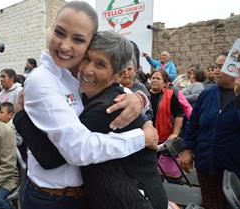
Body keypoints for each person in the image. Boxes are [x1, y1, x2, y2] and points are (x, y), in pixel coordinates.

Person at [16, 2, 158, 209]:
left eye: (78, 39)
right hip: (52, 198)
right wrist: (141, 138)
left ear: (89, 44)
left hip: (87, 196)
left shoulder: (77, 74)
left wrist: (139, 98)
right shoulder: (42, 81)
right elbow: (77, 149)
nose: (65, 46)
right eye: (59, 32)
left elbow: (116, 91)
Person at [77, 31, 167, 209]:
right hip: (149, 194)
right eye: (86, 58)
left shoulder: (106, 108)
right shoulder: (120, 95)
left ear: (119, 75)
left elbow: (54, 156)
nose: (87, 69)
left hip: (135, 201)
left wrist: (23, 113)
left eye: (100, 65)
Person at [181, 54, 240, 209]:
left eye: (221, 67)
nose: (215, 71)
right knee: (210, 204)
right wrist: (188, 149)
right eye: (216, 66)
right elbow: (193, 124)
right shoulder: (207, 94)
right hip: (206, 165)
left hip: (235, 169)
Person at [149, 70, 184, 143]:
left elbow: (179, 114)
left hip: (163, 139)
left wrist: (175, 133)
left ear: (165, 83)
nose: (154, 80)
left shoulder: (170, 95)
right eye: (153, 78)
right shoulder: (144, 94)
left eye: (158, 78)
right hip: (145, 138)